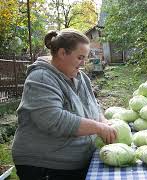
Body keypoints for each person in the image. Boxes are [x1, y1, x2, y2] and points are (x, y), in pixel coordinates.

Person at [12, 29, 117, 180]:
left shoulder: (81, 77)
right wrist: (98, 127)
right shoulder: (41, 77)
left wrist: (103, 120)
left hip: (74, 162)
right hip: (45, 166)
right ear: (62, 53)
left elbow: (93, 105)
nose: (83, 63)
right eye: (80, 57)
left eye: (85, 58)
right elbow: (54, 120)